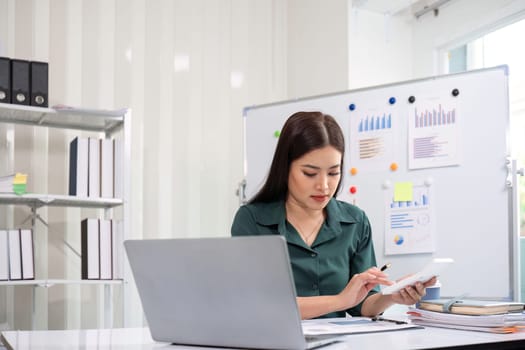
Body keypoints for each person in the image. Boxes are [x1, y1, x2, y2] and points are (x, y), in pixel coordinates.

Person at [231, 111, 436, 320]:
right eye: (310, 173)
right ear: (285, 168)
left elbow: (362, 305)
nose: (324, 186)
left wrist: (393, 296)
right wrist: (340, 301)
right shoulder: (252, 220)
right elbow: (257, 303)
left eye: (333, 173)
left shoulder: (356, 221)